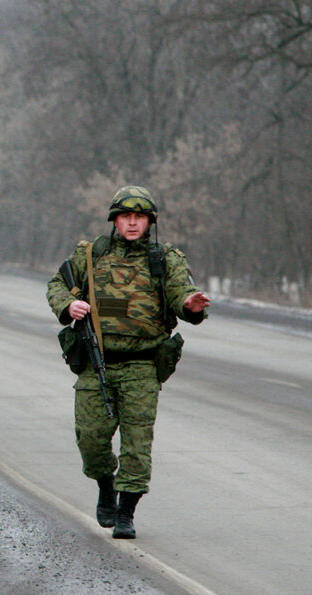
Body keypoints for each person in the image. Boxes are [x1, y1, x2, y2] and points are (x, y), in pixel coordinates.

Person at [46, 186, 211, 539]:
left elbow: (181, 293)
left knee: (137, 444)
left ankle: (126, 512)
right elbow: (58, 284)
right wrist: (68, 305)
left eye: (140, 217)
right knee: (91, 438)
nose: (133, 223)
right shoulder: (91, 254)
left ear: (150, 222)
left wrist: (191, 305)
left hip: (142, 366)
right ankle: (106, 486)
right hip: (97, 363)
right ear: (115, 220)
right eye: (126, 216)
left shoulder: (165, 259)